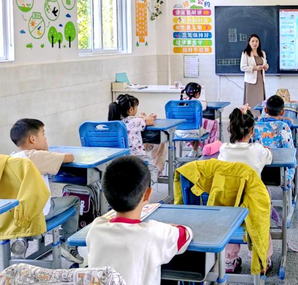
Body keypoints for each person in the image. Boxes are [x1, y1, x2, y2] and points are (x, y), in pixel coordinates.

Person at [86, 156, 192, 285]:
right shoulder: (155, 232)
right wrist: (169, 227)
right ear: (147, 194)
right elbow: (186, 234)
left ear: (105, 194)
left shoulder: (96, 228)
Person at [9, 118, 82, 264]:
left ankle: (22, 240)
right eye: (43, 134)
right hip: (39, 214)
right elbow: (70, 157)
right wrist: (47, 150)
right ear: (32, 139)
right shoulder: (37, 156)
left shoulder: (11, 158)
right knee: (74, 201)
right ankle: (68, 245)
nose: (45, 138)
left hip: (15, 215)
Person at [218, 106, 273, 273]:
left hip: (230, 201)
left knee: (230, 224)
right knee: (261, 222)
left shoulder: (224, 149)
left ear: (231, 128)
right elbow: (269, 158)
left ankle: (229, 260)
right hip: (254, 203)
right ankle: (262, 259)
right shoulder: (258, 150)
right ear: (252, 131)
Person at [108, 94, 159, 183]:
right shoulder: (135, 121)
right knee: (154, 170)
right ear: (130, 110)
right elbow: (151, 121)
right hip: (137, 159)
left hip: (118, 160)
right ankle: (145, 186)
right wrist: (144, 117)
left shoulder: (113, 123)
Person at [256, 95, 295, 182]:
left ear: (265, 110)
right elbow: (291, 121)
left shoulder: (257, 124)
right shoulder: (283, 125)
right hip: (281, 166)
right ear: (282, 112)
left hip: (260, 165)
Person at [241, 34, 268, 116]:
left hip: (260, 80)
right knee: (250, 101)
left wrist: (266, 66)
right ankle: (249, 117)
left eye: (256, 41)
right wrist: (254, 68)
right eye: (252, 41)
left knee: (260, 100)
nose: (255, 43)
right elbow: (242, 67)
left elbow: (265, 64)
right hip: (250, 81)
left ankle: (259, 116)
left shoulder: (262, 53)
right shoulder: (246, 53)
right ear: (249, 42)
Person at [179, 82, 208, 158]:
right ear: (198, 94)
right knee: (201, 131)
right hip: (194, 131)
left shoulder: (179, 102)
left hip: (179, 132)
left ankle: (196, 150)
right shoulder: (199, 103)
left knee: (193, 132)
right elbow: (205, 105)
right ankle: (194, 151)